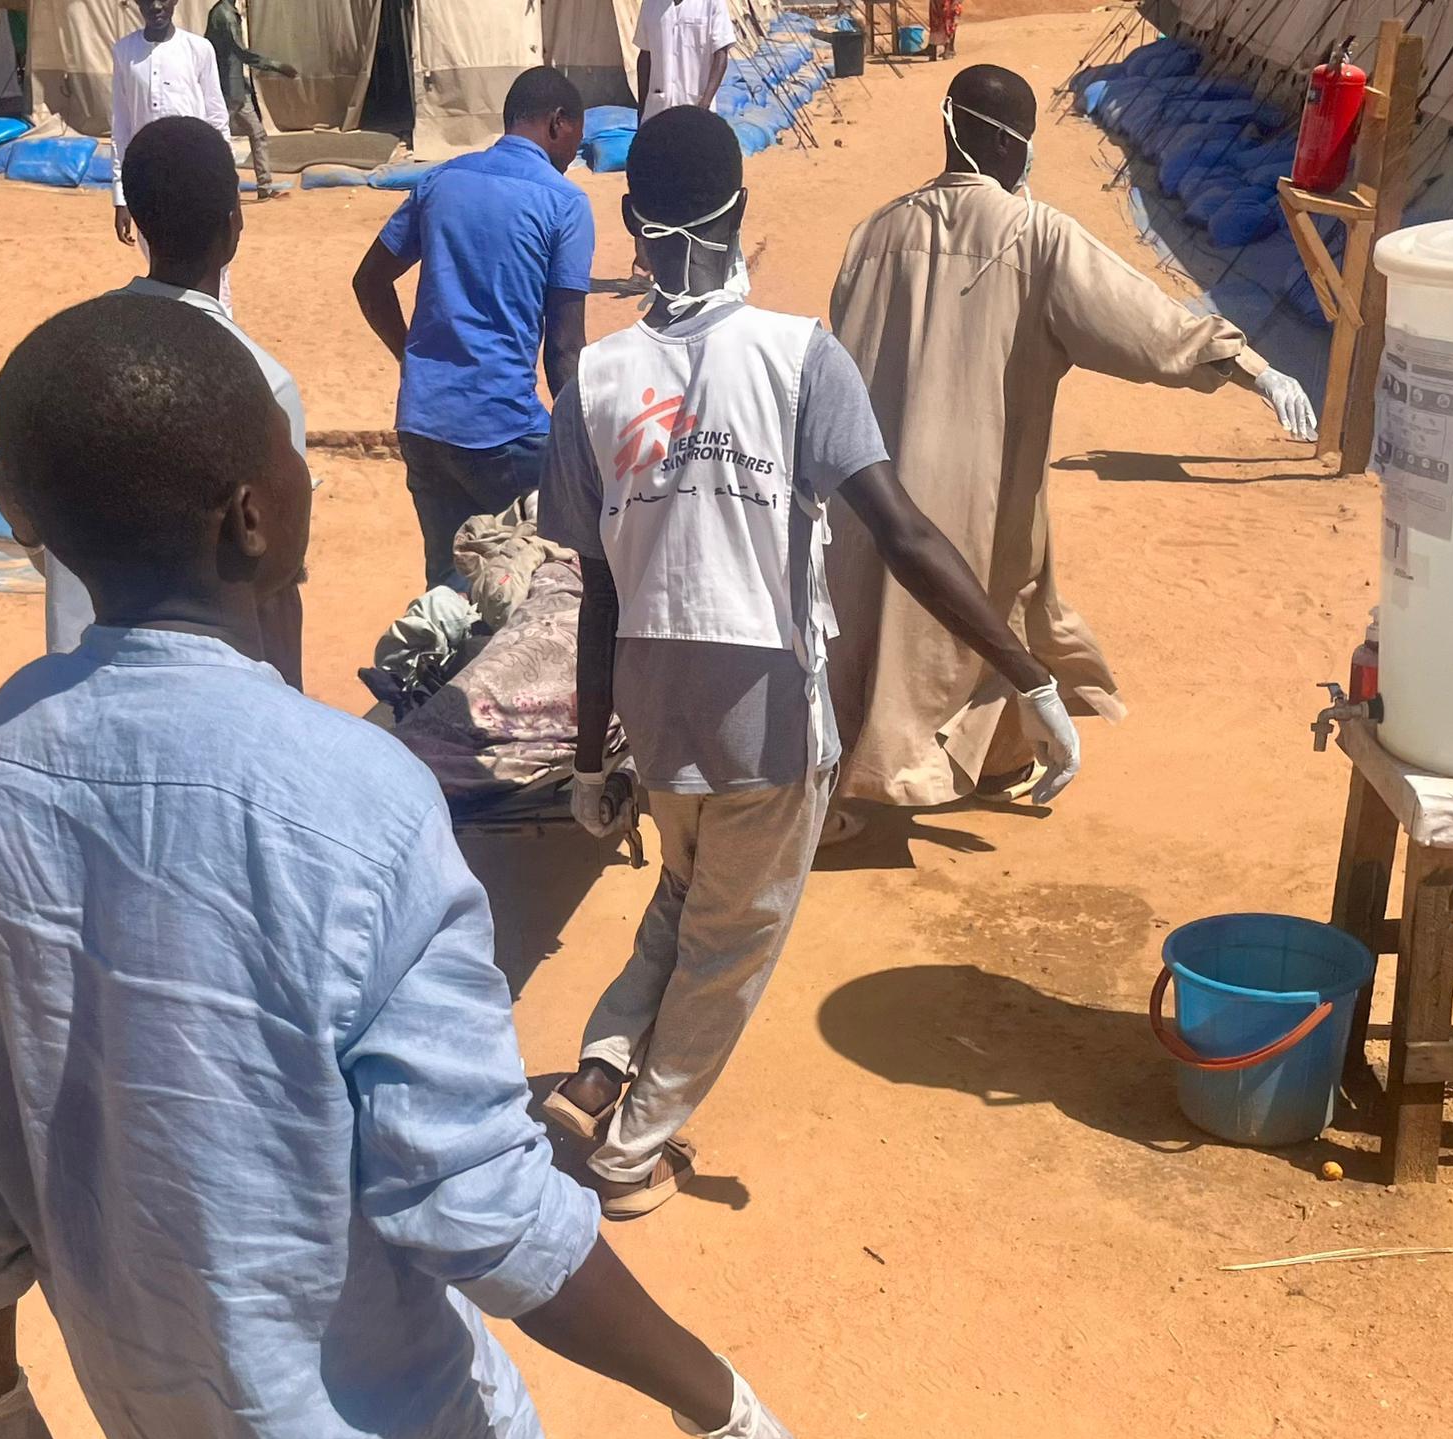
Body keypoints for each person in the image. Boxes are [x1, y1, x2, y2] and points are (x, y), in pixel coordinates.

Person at [0, 290, 808, 1439]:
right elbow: (479, 1200)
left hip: (170, 1419)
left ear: (15, 517)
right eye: (298, 460)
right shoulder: (350, 800)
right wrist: (720, 1398)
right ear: (258, 513)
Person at [537, 108, 1077, 1219]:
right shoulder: (796, 360)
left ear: (631, 227)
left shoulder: (594, 382)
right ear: (739, 216)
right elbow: (909, 536)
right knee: (732, 943)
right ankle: (634, 1150)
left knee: (689, 893)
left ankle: (596, 1072)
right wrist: (1026, 675)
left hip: (653, 702)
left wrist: (592, 759)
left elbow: (594, 588)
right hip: (765, 716)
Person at [824, 64, 1317, 815]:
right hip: (981, 496)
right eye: (1025, 142)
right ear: (1000, 142)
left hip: (872, 497)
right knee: (993, 602)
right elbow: (1151, 326)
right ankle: (935, 769)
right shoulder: (1036, 235)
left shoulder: (870, 235)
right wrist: (1253, 368)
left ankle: (947, 760)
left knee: (876, 628)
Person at [14, 114, 307, 682]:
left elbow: (30, 521)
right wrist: (292, 713)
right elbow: (274, 587)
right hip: (218, 712)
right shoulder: (262, 385)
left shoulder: (66, 360)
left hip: (76, 686)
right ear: (234, 225)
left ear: (139, 223)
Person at [353, 67, 591, 586]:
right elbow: (565, 350)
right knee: (557, 572)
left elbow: (368, 282)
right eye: (576, 137)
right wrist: (582, 450)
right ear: (557, 123)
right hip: (503, 432)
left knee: (449, 583)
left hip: (422, 422)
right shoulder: (565, 203)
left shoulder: (440, 180)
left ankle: (436, 664)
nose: (574, 154)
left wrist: (410, 357)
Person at [109, 0, 225, 251]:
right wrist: (121, 197)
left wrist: (226, 182)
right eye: (148, 0)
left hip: (195, 176)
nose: (156, 6)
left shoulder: (199, 49)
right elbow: (121, 127)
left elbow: (217, 119)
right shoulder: (124, 52)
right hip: (148, 180)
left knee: (204, 261)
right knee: (158, 261)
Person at [205, 0, 297, 201]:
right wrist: (276, 66)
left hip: (237, 88)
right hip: (226, 90)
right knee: (216, 140)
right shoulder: (224, 15)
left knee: (258, 134)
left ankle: (264, 186)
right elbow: (241, 53)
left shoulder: (227, 13)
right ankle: (212, 189)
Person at [634, 0, 735, 121]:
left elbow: (721, 55)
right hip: (657, 111)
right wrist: (641, 108)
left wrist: (705, 103)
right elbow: (645, 55)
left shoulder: (712, 3)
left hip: (696, 109)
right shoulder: (651, 4)